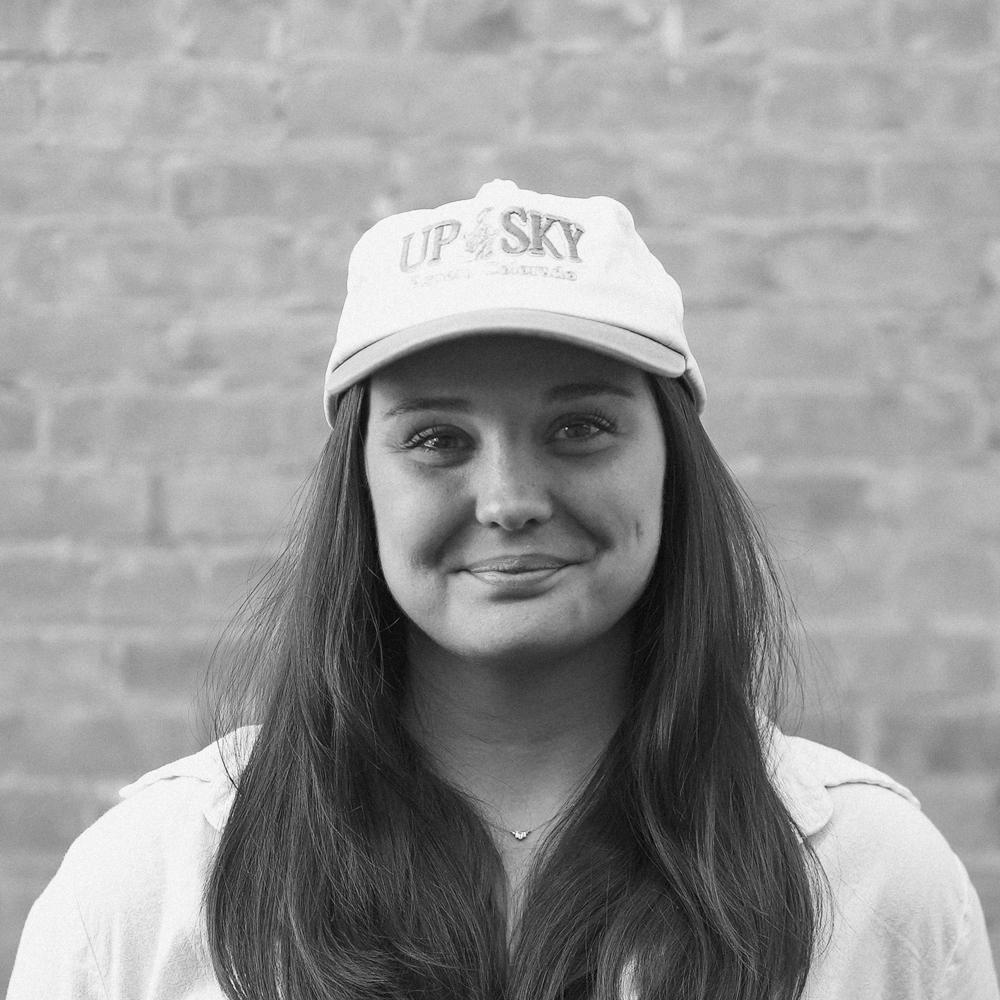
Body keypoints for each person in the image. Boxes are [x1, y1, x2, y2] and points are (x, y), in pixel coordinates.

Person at [7, 180, 998, 1000]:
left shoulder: (874, 881)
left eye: (579, 428)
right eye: (437, 438)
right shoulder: (151, 883)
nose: (510, 499)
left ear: (671, 463)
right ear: (361, 484)